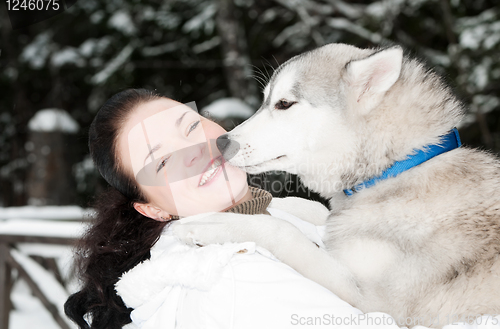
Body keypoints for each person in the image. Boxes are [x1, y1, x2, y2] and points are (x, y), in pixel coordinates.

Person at [64, 88, 399, 329]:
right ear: (152, 209)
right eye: (163, 161)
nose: (195, 149)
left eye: (191, 126)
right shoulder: (231, 277)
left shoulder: (284, 211)